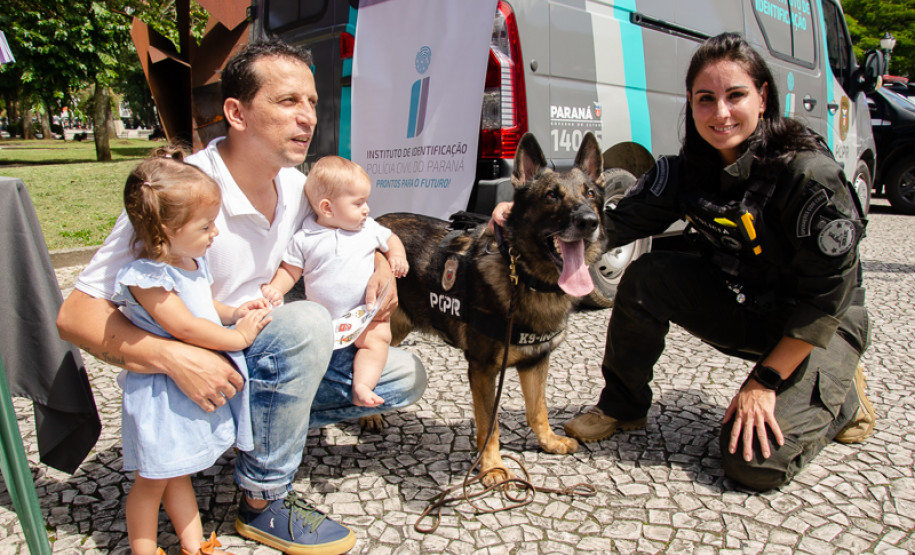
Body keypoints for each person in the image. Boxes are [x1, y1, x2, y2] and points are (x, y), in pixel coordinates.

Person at [57, 39, 427, 554]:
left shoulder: (301, 189)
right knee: (305, 324)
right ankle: (262, 500)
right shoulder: (180, 190)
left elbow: (364, 225)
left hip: (248, 353)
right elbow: (75, 315)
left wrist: (384, 264)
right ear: (236, 112)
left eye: (313, 102)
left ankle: (247, 436)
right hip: (200, 366)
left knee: (401, 375)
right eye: (288, 101)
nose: (308, 118)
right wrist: (175, 356)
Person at [497, 32, 874, 491]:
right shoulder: (684, 173)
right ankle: (623, 406)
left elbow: (825, 299)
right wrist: (524, 216)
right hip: (752, 310)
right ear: (691, 104)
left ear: (762, 96)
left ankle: (842, 393)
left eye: (735, 96)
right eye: (705, 99)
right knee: (648, 274)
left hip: (818, 328)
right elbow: (611, 225)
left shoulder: (808, 177)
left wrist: (765, 380)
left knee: (753, 465)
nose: (720, 113)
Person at [115, 148, 273, 555]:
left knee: (177, 473)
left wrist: (234, 311)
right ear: (163, 232)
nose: (214, 234)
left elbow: (204, 306)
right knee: (151, 482)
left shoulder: (189, 261)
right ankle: (143, 549)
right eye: (205, 227)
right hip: (159, 398)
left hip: (177, 394)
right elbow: (184, 325)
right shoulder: (149, 277)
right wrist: (237, 336)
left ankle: (195, 543)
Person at [261, 156, 409, 408]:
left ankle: (362, 385)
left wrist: (397, 255)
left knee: (378, 340)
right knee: (315, 354)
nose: (367, 209)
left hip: (366, 315)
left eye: (366, 201)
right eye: (359, 203)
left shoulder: (369, 228)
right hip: (326, 321)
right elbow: (290, 270)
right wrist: (275, 289)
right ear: (327, 208)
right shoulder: (305, 237)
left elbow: (391, 238)